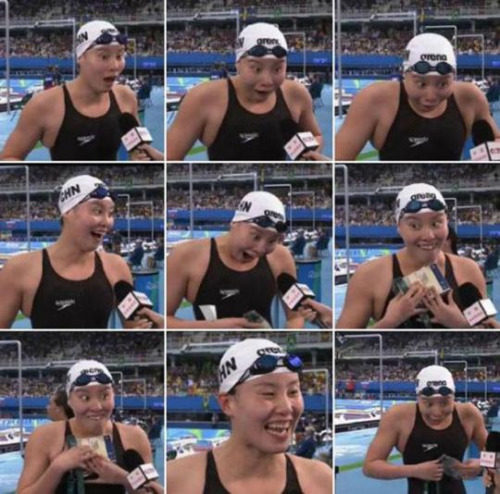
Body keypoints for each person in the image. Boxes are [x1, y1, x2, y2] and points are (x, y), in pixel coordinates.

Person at [167, 338, 333, 493]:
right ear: (227, 404)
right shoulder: (177, 482)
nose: (286, 407)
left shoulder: (319, 481)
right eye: (269, 393)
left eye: (293, 391)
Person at [0, 175, 155, 329]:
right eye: (97, 211)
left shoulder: (116, 267)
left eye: (111, 213)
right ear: (67, 212)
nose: (107, 222)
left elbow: (133, 326)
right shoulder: (19, 270)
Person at [0, 20, 162, 161]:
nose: (115, 66)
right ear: (80, 57)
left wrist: (140, 155)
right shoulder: (44, 106)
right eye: (104, 56)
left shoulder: (125, 97)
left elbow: (136, 143)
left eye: (119, 56)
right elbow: (8, 157)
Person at [337, 183, 487, 328]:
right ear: (399, 227)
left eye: (436, 223)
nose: (428, 235)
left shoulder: (469, 270)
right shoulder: (369, 276)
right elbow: (341, 343)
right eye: (415, 225)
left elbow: (491, 329)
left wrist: (462, 326)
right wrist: (390, 322)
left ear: (447, 223)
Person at [167, 22, 323, 161]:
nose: (267, 81)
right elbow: (169, 159)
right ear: (238, 63)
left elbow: (316, 136)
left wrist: (311, 154)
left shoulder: (296, 95)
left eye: (277, 68)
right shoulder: (202, 99)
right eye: (256, 68)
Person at [336, 33, 500, 160]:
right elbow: (339, 158)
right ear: (404, 74)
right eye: (421, 84)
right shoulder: (374, 99)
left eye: (442, 84)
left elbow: (495, 141)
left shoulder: (470, 98)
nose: (430, 96)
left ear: (454, 77)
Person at [17, 359, 164, 493]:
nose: (97, 406)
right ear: (69, 401)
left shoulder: (134, 436)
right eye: (85, 397)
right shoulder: (45, 437)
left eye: (104, 396)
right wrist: (57, 468)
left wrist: (124, 478)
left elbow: (153, 490)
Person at [167, 191, 304, 328]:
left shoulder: (281, 257)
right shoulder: (186, 256)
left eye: (272, 240)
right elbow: (163, 322)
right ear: (235, 223)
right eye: (255, 236)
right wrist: (216, 327)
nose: (261, 249)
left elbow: (295, 318)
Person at [363, 365, 487, 493]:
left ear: (453, 396)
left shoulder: (468, 414)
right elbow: (370, 465)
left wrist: (482, 464)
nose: (437, 412)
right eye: (428, 404)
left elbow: (495, 455)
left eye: (445, 403)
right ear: (418, 398)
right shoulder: (398, 417)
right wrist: (415, 470)